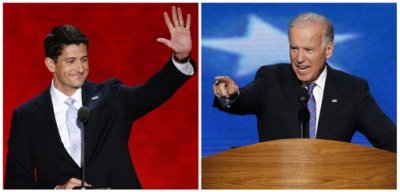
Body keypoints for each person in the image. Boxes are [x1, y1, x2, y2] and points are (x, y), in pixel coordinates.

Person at [5, 6, 195, 189]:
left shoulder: (110, 97)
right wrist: (57, 190)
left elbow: (151, 93)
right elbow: (16, 184)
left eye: (84, 59)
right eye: (71, 61)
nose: (80, 69)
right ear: (50, 64)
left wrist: (180, 58)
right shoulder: (27, 116)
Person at [213, 12, 396, 153]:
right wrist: (231, 95)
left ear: (329, 49)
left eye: (308, 49)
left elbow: (390, 139)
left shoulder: (352, 90)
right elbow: (245, 99)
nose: (299, 58)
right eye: (294, 48)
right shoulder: (271, 78)